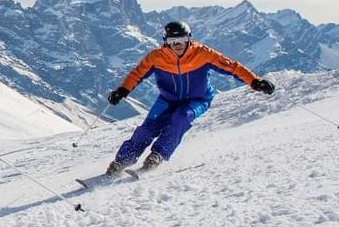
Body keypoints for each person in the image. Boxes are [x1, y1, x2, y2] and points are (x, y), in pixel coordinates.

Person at [104, 21, 275, 175]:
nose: (177, 45)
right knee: (148, 128)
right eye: (172, 41)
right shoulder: (156, 57)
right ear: (165, 41)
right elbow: (137, 74)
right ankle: (122, 161)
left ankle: (157, 155)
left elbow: (233, 68)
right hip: (167, 100)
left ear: (189, 39)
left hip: (198, 99)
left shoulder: (203, 53)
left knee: (181, 118)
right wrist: (122, 91)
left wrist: (255, 81)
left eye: (182, 40)